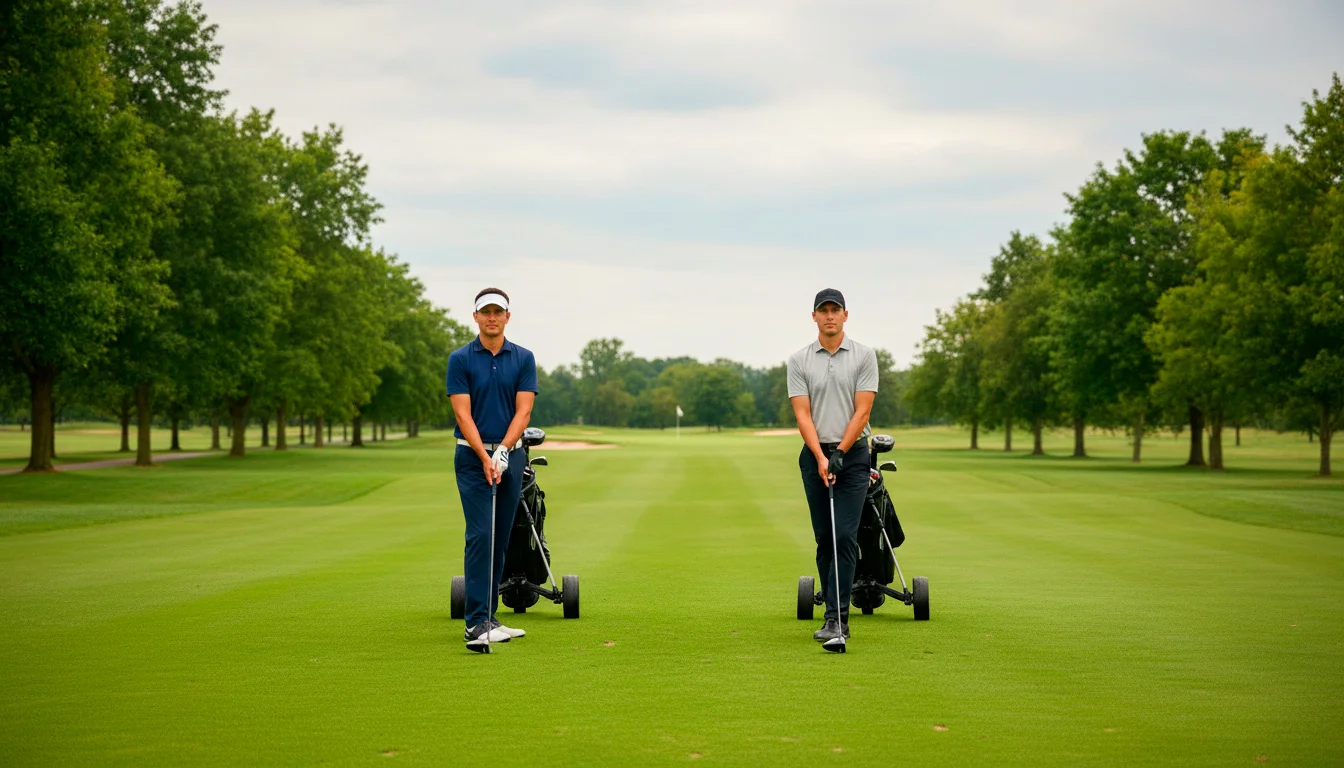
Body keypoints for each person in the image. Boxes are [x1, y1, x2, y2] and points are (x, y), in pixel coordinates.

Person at [446, 288, 538, 652]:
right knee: (481, 535)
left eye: (498, 312)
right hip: (472, 458)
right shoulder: (461, 359)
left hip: (509, 456)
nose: (492, 317)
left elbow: (523, 412)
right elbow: (462, 414)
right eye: (485, 312)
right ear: (476, 317)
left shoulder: (524, 358)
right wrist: (486, 456)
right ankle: (475, 623)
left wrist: (502, 450)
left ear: (507, 317)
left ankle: (490, 617)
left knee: (500, 537)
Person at [786, 288, 879, 646]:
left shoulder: (864, 356)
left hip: (852, 457)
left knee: (844, 535)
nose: (829, 316)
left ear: (845, 315)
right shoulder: (799, 360)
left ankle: (838, 621)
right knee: (824, 538)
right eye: (823, 310)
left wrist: (839, 452)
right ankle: (831, 616)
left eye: (834, 310)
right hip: (815, 456)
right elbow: (803, 415)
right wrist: (822, 457)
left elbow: (863, 411)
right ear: (814, 316)